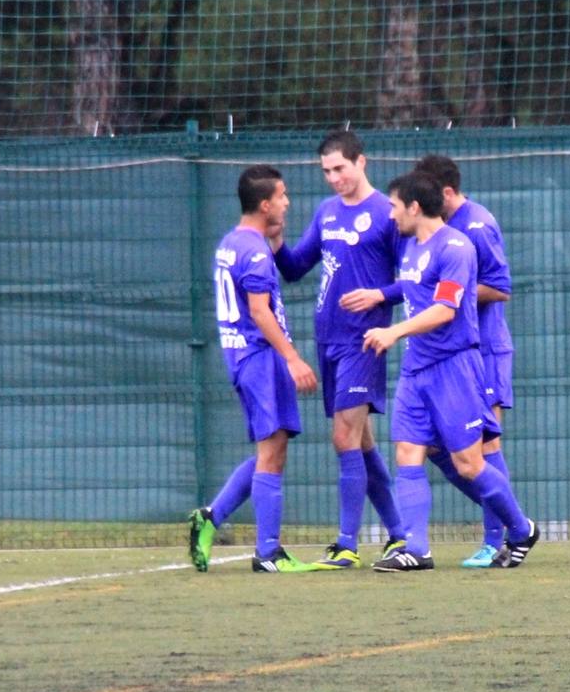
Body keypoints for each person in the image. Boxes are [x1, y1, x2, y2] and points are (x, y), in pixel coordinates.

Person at [357, 170, 537, 572]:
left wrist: (395, 330)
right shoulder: (411, 248)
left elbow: (446, 309)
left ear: (414, 207)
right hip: (416, 369)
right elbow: (414, 291)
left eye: (394, 206)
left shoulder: (456, 247)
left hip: (454, 367)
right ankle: (416, 548)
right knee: (408, 451)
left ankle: (520, 529)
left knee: (470, 464)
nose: (390, 215)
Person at [270, 127, 407, 570]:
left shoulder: (388, 214)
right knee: (362, 442)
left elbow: (415, 277)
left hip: (364, 341)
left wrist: (379, 296)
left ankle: (346, 544)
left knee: (343, 436)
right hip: (328, 340)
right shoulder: (327, 213)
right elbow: (293, 268)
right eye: (327, 171)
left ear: (361, 162)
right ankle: (399, 535)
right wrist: (274, 241)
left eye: (340, 168)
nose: (333, 178)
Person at [188, 165, 320, 573]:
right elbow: (260, 311)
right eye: (281, 196)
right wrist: (292, 358)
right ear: (265, 205)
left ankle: (210, 518)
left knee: (270, 450)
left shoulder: (232, 241)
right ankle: (267, 552)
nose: (287, 202)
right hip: (260, 358)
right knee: (272, 451)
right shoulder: (256, 251)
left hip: (243, 357)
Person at [411, 154, 521, 568]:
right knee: (437, 446)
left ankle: (498, 540)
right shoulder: (431, 230)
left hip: (486, 349)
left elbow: (500, 287)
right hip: (447, 356)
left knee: (486, 444)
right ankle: (513, 523)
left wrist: (450, 292)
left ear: (447, 192)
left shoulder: (476, 223)